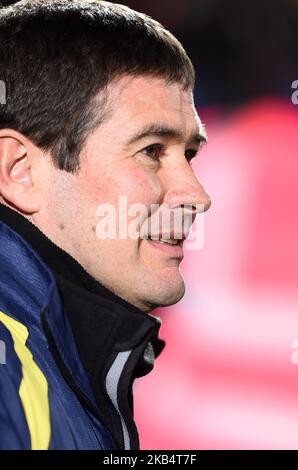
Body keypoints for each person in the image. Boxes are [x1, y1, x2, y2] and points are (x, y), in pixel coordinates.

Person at [0, 0, 211, 450]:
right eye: (153, 150)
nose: (197, 196)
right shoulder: (8, 372)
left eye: (189, 154)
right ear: (20, 170)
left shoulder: (57, 351)